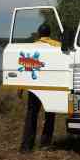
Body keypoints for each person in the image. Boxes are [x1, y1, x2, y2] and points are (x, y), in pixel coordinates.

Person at [19, 23, 59, 152]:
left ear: (38, 34)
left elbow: (26, 68)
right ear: (50, 33)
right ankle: (45, 144)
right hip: (51, 86)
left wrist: (20, 88)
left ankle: (26, 146)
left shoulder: (32, 47)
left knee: (31, 114)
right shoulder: (57, 46)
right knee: (50, 115)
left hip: (35, 86)